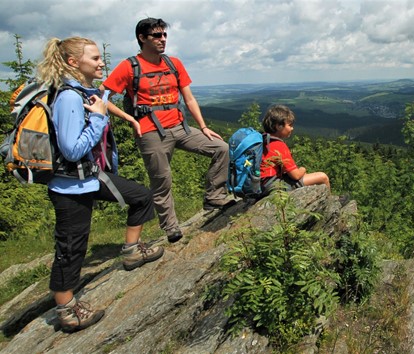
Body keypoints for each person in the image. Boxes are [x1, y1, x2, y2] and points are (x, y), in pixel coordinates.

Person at [38, 37, 164, 333]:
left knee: (142, 196)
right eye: (94, 58)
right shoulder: (69, 97)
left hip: (90, 178)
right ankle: (66, 310)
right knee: (71, 248)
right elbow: (71, 150)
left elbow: (100, 106)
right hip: (70, 186)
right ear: (73, 62)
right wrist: (97, 120)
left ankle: (132, 252)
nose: (101, 62)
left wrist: (115, 114)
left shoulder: (83, 91)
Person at [102, 18, 232, 244]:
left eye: (164, 35)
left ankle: (214, 197)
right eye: (156, 35)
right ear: (142, 38)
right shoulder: (130, 66)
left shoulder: (174, 64)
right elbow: (102, 96)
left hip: (180, 127)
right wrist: (130, 119)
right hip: (151, 133)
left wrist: (203, 127)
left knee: (221, 148)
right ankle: (171, 228)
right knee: (162, 180)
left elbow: (189, 98)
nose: (162, 40)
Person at [260, 104, 330, 195]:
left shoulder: (264, 140)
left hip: (261, 184)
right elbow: (296, 175)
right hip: (272, 187)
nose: (292, 128)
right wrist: (303, 169)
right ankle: (331, 203)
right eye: (290, 125)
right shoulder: (279, 145)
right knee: (323, 177)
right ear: (278, 126)